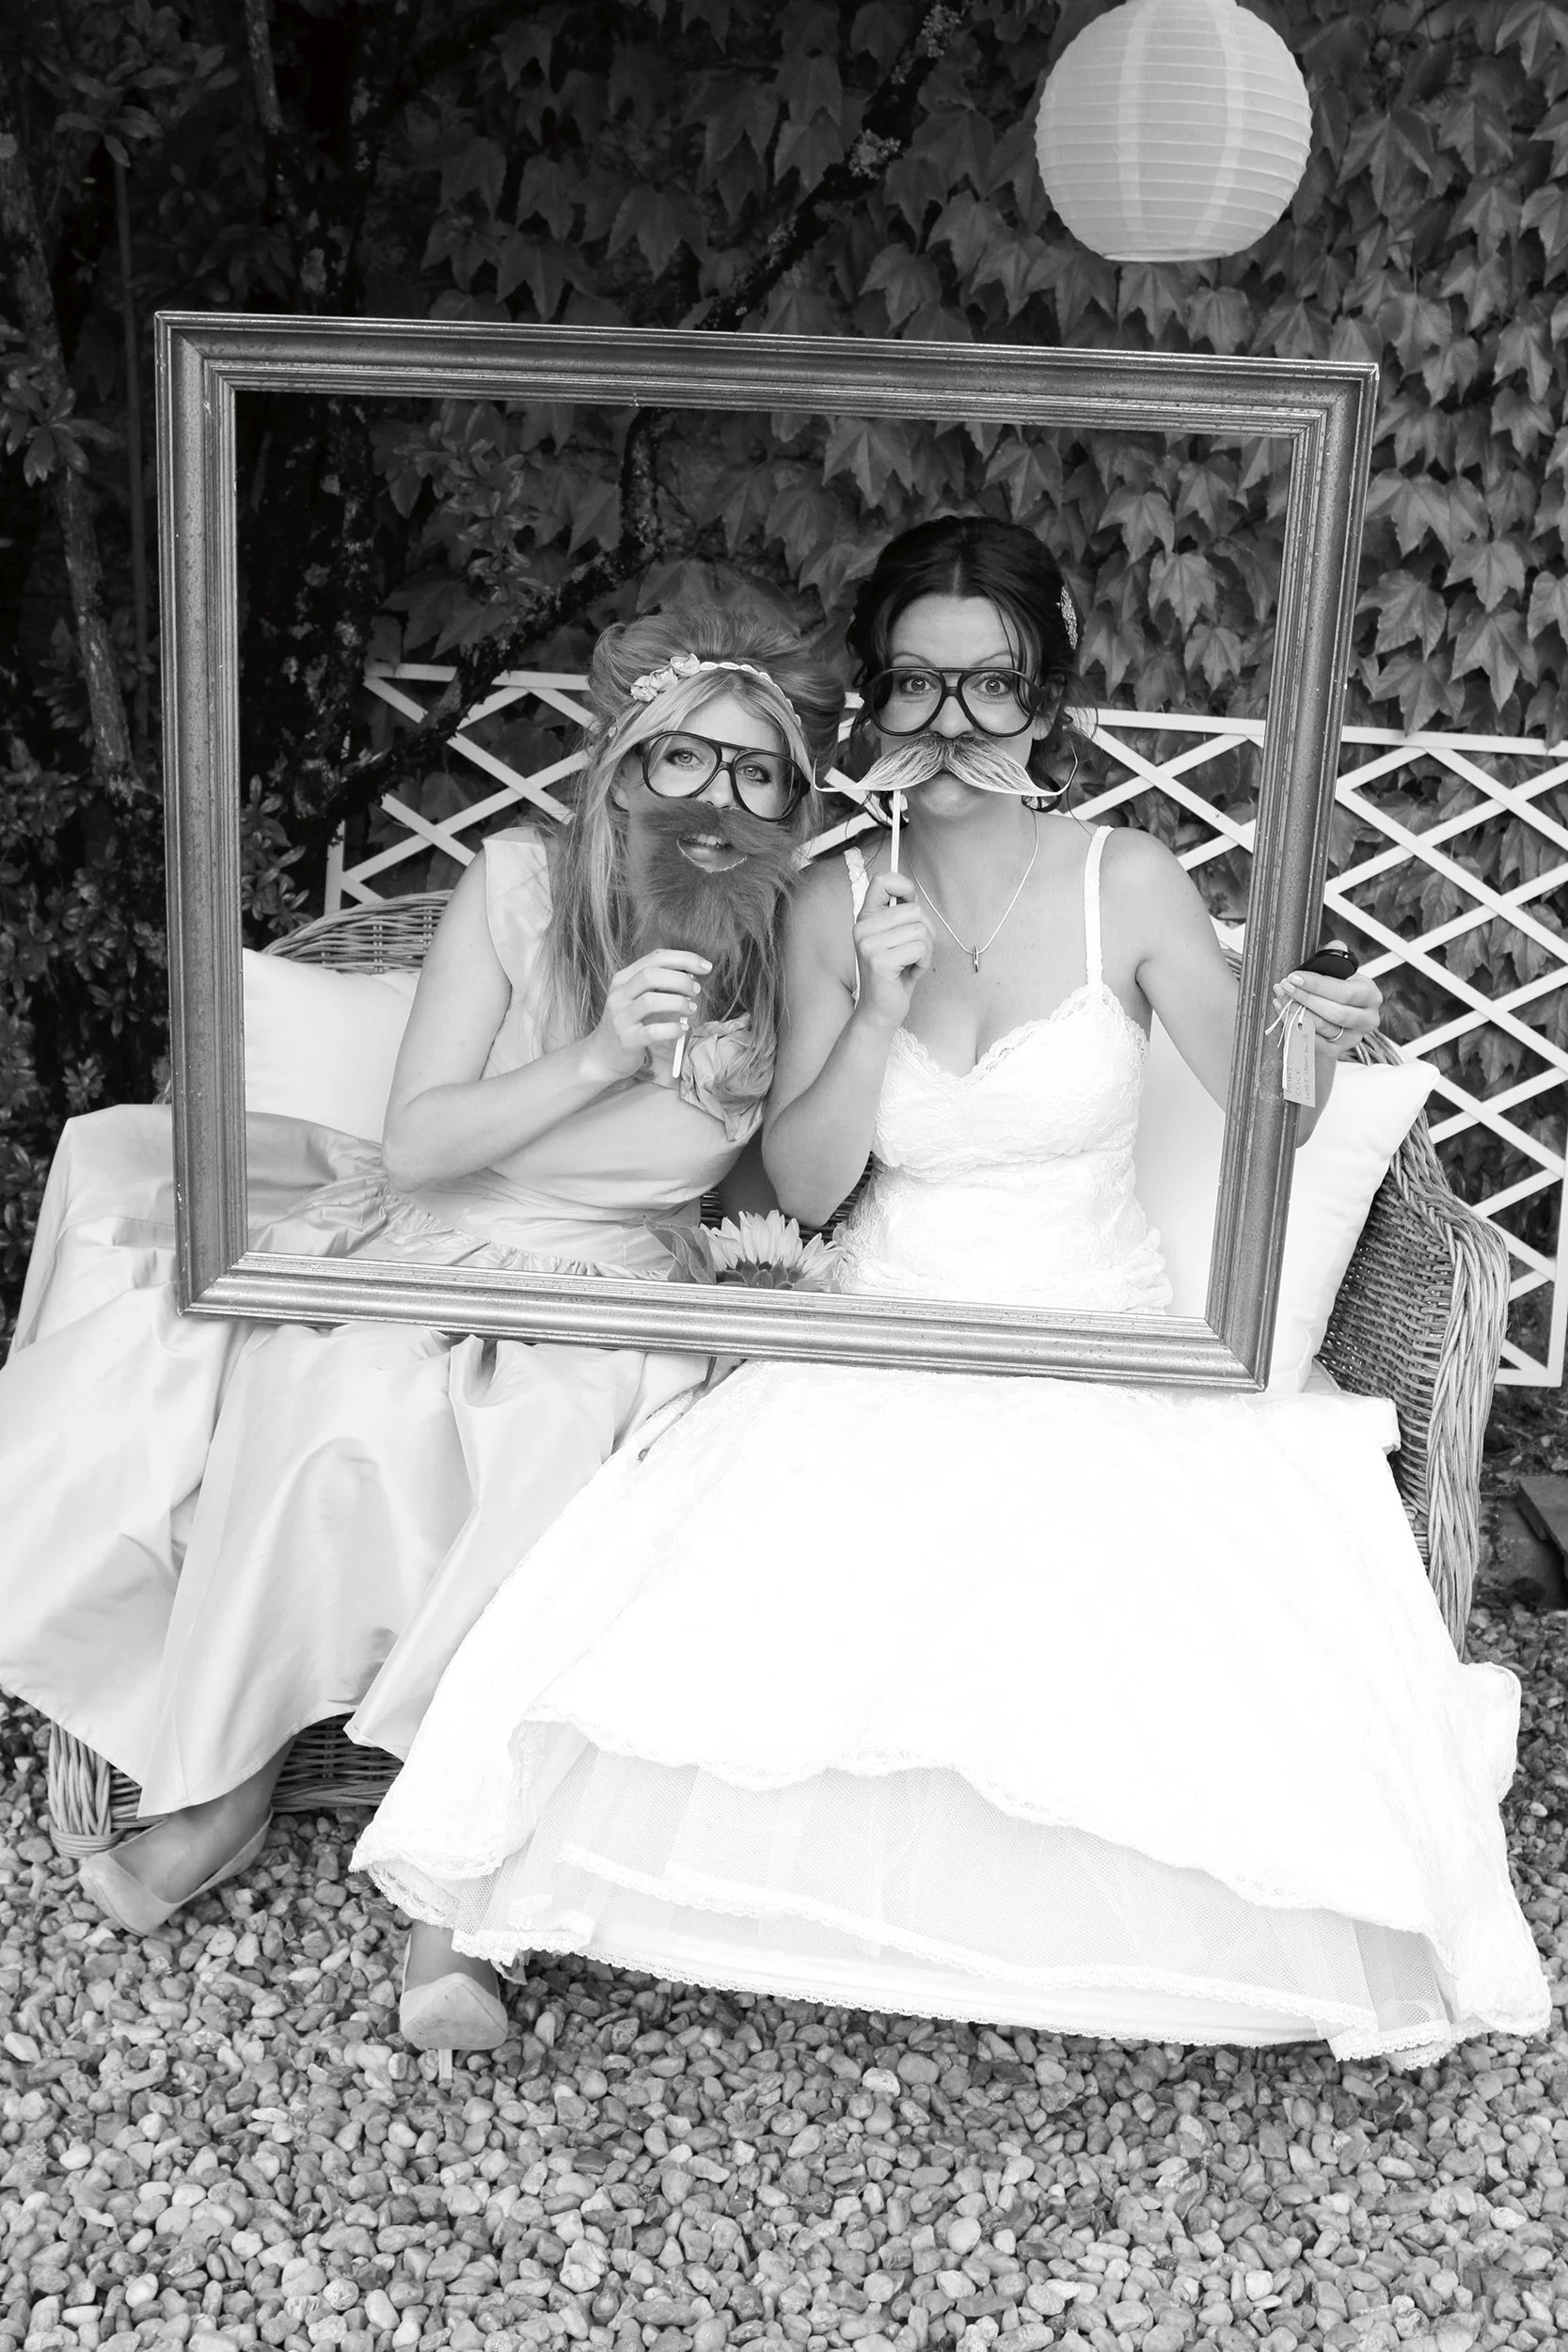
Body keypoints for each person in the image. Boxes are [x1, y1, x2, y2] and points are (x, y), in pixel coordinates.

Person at [353, 517, 1550, 2063]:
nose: (953, 723)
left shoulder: (1129, 878)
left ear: (1044, 703)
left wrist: (1313, 1034)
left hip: (1101, 1333)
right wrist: (874, 1012)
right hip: (888, 1321)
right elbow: (801, 1190)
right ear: (875, 703)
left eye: (993, 686)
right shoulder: (826, 896)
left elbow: (1269, 1109)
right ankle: (518, 1907)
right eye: (916, 685)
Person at [0, 602, 844, 2046]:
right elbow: (421, 1144)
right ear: (622, 762)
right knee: (331, 1410)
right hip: (441, 1240)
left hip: (619, 1287)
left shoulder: (790, 929)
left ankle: (457, 1898)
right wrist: (600, 1053)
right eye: (685, 757)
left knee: (559, 1472)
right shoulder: (517, 883)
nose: (718, 797)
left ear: (793, 798)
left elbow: (779, 1183)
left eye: (758, 772)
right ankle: (227, 1784)